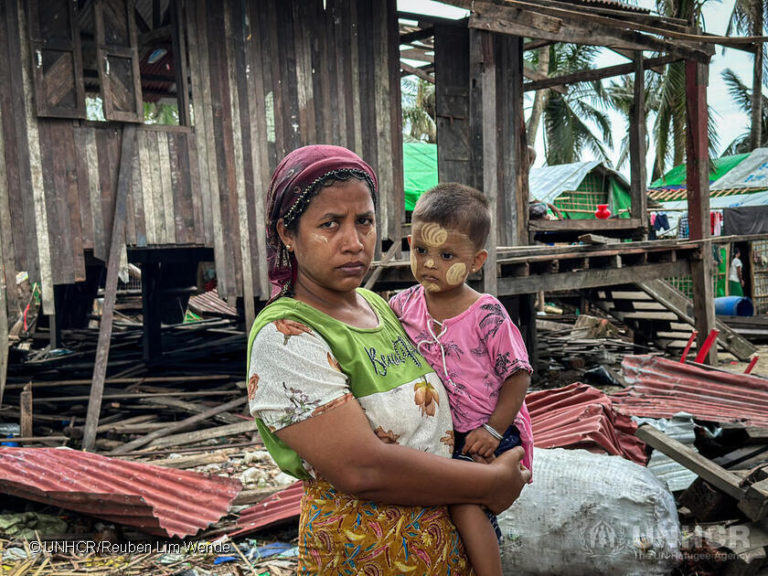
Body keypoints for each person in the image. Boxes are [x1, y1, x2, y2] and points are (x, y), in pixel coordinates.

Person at [246, 145, 530, 574]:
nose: (354, 242)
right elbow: (362, 469)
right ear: (288, 233)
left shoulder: (381, 309)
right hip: (361, 552)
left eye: (364, 221)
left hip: (443, 551)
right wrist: (492, 483)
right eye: (330, 224)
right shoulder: (286, 336)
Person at [389, 183, 534, 576]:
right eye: (420, 250)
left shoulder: (486, 313)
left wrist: (493, 428)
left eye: (447, 254)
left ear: (476, 261)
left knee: (466, 503)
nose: (430, 264)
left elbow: (517, 375)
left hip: (491, 431)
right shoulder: (403, 306)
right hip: (446, 431)